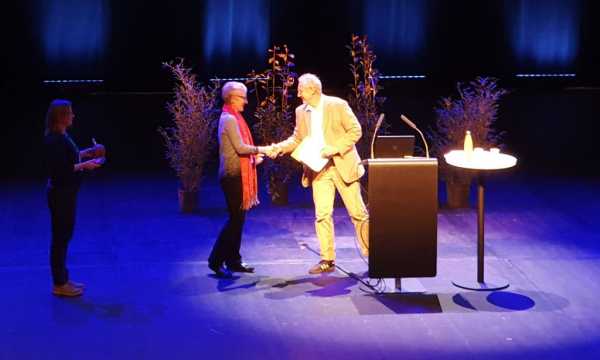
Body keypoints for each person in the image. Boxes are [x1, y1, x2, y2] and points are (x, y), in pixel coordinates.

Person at [270, 73, 369, 274]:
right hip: (319, 170)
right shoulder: (301, 111)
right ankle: (327, 259)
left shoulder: (337, 105)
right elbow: (297, 139)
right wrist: (280, 147)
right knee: (322, 215)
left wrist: (334, 148)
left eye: (301, 89)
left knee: (358, 213)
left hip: (343, 165)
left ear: (313, 90)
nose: (298, 93)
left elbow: (355, 131)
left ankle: (373, 255)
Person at [208, 82, 275, 278]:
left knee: (238, 220)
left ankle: (233, 260)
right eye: (242, 97)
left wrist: (254, 160)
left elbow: (239, 152)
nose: (246, 102)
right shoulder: (229, 118)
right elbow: (240, 148)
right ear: (231, 98)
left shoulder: (234, 117)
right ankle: (215, 260)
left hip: (237, 174)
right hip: (231, 177)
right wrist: (262, 149)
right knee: (235, 220)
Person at [44, 99, 105, 297]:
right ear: (61, 117)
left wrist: (87, 153)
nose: (73, 115)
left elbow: (68, 159)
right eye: (70, 113)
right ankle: (59, 284)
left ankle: (63, 279)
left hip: (66, 193)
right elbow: (61, 170)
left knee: (64, 236)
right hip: (60, 194)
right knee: (60, 238)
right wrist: (86, 165)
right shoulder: (54, 139)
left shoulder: (62, 136)